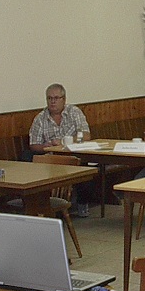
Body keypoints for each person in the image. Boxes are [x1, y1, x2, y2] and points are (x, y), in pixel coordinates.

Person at [28, 83, 93, 216]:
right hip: (50, 157)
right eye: (49, 98)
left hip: (73, 155)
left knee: (84, 168)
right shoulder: (40, 118)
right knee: (27, 158)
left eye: (56, 98)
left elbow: (86, 135)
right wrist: (47, 146)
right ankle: (42, 204)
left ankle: (82, 203)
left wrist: (65, 141)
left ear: (64, 99)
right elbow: (33, 145)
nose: (53, 102)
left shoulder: (74, 112)